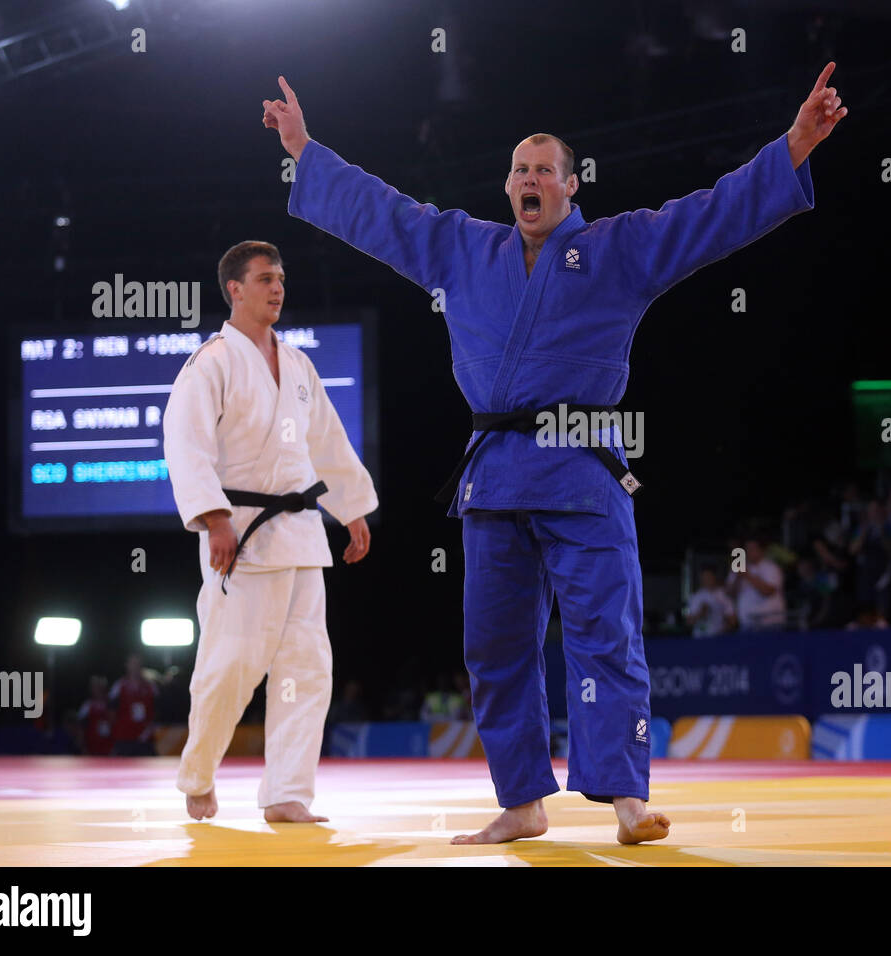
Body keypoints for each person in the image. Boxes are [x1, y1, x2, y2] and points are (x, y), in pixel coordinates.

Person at [263, 63, 847, 844]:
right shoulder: (463, 251)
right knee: (494, 645)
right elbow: (386, 214)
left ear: (573, 189)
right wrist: (307, 151)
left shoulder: (619, 249)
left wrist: (793, 147)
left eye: (544, 169)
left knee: (605, 633)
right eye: (518, 169)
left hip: (581, 466)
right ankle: (522, 799)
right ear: (507, 189)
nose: (528, 179)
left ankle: (627, 797)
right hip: (494, 473)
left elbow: (708, 214)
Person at [163, 241, 377, 823]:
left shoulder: (299, 364)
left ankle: (286, 794)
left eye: (280, 278)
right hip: (243, 533)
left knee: (307, 669)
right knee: (229, 666)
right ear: (234, 288)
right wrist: (213, 520)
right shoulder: (210, 363)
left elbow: (327, 442)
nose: (277, 288)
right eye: (264, 279)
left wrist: (352, 509)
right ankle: (198, 772)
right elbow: (186, 446)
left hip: (303, 535)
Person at [727, 538, 788, 631]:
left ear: (761, 550)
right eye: (747, 549)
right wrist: (738, 578)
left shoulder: (771, 567)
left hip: (771, 624)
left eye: (752, 549)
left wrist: (747, 575)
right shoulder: (739, 567)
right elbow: (730, 594)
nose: (749, 552)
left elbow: (768, 591)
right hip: (746, 624)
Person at [110, 653, 157, 756]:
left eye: (138, 664)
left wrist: (149, 729)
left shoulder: (151, 687)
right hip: (124, 738)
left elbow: (157, 711)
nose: (135, 666)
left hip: (144, 738)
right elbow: (111, 712)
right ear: (127, 665)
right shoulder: (119, 686)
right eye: (132, 663)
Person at [686, 566, 736, 637]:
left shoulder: (724, 595)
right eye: (704, 577)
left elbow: (733, 621)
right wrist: (701, 613)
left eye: (709, 577)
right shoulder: (695, 596)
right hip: (699, 638)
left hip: (718, 638)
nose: (707, 580)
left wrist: (724, 629)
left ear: (714, 577)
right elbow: (689, 622)